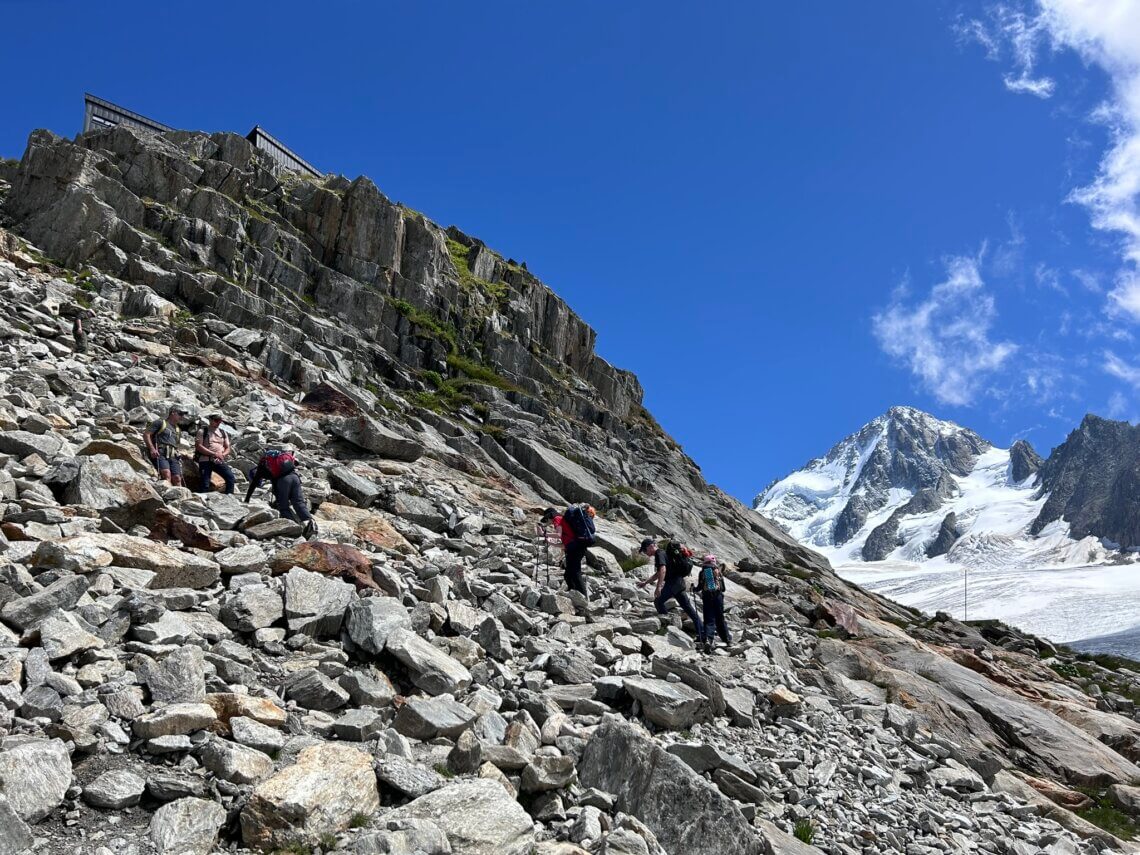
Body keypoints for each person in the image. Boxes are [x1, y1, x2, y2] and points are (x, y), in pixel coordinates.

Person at [638, 537, 703, 639]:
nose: (645, 553)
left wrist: (658, 587)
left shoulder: (659, 553)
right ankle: (703, 634)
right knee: (689, 609)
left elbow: (662, 570)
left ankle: (667, 626)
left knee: (658, 602)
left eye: (645, 550)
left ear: (651, 546)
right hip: (679, 583)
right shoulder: (663, 553)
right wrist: (646, 582)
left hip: (673, 583)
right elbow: (659, 573)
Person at [245, 448, 318, 538]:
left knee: (283, 507)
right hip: (295, 477)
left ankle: (294, 529)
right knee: (299, 503)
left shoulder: (262, 467)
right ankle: (311, 524)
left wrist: (247, 499)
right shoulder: (280, 459)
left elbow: (254, 485)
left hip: (284, 481)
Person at [543, 504, 596, 598]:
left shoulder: (557, 519)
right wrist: (549, 542)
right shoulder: (563, 521)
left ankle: (583, 598)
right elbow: (564, 544)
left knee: (575, 573)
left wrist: (545, 534)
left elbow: (559, 535)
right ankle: (573, 593)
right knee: (568, 574)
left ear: (550, 516)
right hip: (576, 548)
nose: (548, 522)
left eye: (547, 519)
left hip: (575, 548)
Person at [144, 406, 187, 486]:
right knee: (166, 474)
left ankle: (180, 496)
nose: (182, 417)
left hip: (173, 455)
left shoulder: (178, 429)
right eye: (180, 414)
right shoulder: (160, 422)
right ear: (173, 412)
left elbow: (176, 444)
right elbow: (147, 434)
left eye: (183, 415)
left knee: (177, 478)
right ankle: (167, 494)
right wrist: (152, 449)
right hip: (161, 452)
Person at [194, 413, 236, 494]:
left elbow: (228, 447)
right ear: (210, 420)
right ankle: (203, 500)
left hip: (218, 460)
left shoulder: (223, 432)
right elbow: (198, 446)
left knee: (230, 478)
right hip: (205, 460)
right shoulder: (202, 431)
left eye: (220, 421)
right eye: (216, 420)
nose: (218, 423)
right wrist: (213, 453)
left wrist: (222, 455)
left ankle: (229, 497)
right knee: (205, 483)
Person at [697, 555, 731, 652]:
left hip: (707, 597)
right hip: (718, 597)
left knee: (709, 619)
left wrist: (694, 589)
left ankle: (708, 640)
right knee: (720, 618)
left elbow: (699, 586)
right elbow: (723, 588)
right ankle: (727, 639)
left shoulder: (703, 572)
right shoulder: (718, 571)